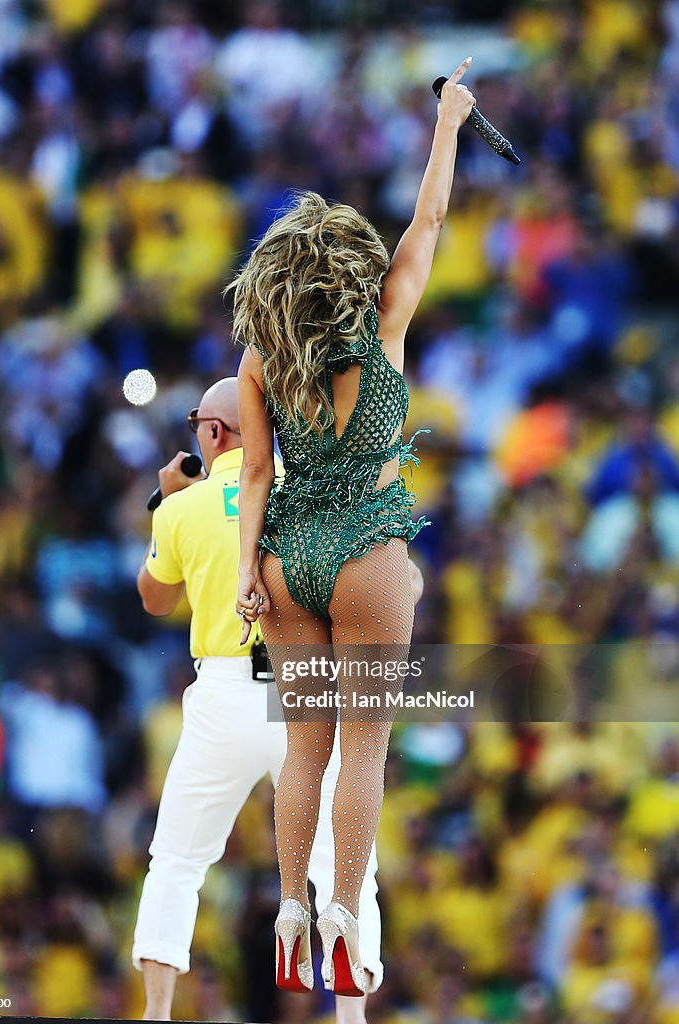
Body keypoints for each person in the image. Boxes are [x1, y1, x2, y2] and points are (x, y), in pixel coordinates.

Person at [232, 60, 476, 996]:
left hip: (289, 552)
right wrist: (448, 121)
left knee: (305, 747)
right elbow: (430, 222)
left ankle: (288, 906)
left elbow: (255, 472)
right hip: (368, 551)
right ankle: (341, 911)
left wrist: (251, 565)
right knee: (363, 746)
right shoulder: (383, 328)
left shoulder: (262, 359)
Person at [132, 377, 408, 1023]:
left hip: (226, 689)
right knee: (344, 866)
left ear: (212, 433)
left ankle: (157, 1012)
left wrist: (169, 507)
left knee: (177, 858)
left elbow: (156, 600)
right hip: (309, 687)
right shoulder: (313, 497)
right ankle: (351, 1016)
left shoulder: (184, 507)